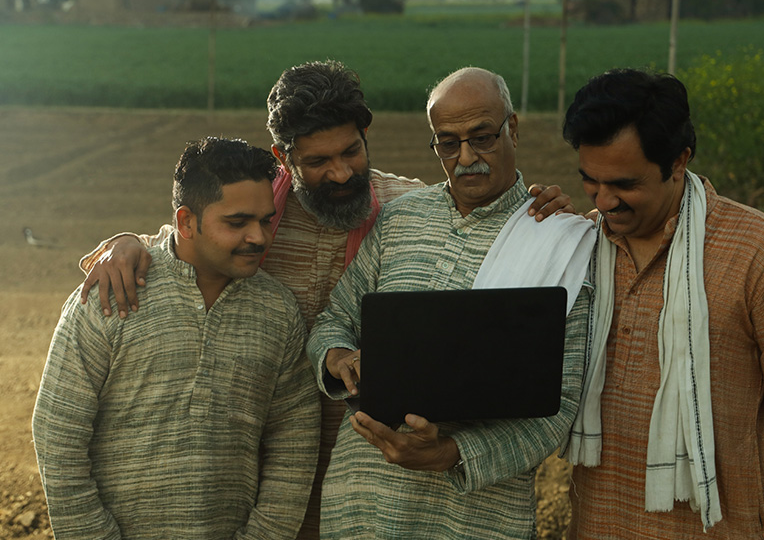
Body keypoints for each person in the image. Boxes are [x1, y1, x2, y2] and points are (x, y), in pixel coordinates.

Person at [74, 60, 573, 539]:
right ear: (281, 157)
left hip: (394, 481)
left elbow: (482, 207)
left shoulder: (401, 209)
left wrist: (544, 214)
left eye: (350, 152)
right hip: (264, 479)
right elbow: (195, 239)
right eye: (317, 161)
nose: (339, 174)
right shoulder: (255, 218)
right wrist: (131, 243)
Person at [305, 67, 593, 539]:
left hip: (476, 519)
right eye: (447, 142)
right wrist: (339, 358)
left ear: (513, 129)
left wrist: (450, 453)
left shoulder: (560, 243)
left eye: (482, 137)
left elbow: (557, 410)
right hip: (361, 505)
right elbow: (335, 318)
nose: (466, 157)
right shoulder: (400, 218)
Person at [31, 137, 320, 539]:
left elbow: (295, 444)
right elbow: (57, 436)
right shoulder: (109, 296)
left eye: (265, 220)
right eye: (237, 223)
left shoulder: (279, 311)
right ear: (186, 222)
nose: (258, 237)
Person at [562, 68, 764, 539]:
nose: (604, 200)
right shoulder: (577, 249)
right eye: (590, 181)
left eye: (624, 184)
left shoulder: (751, 251)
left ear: (679, 161)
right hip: (598, 525)